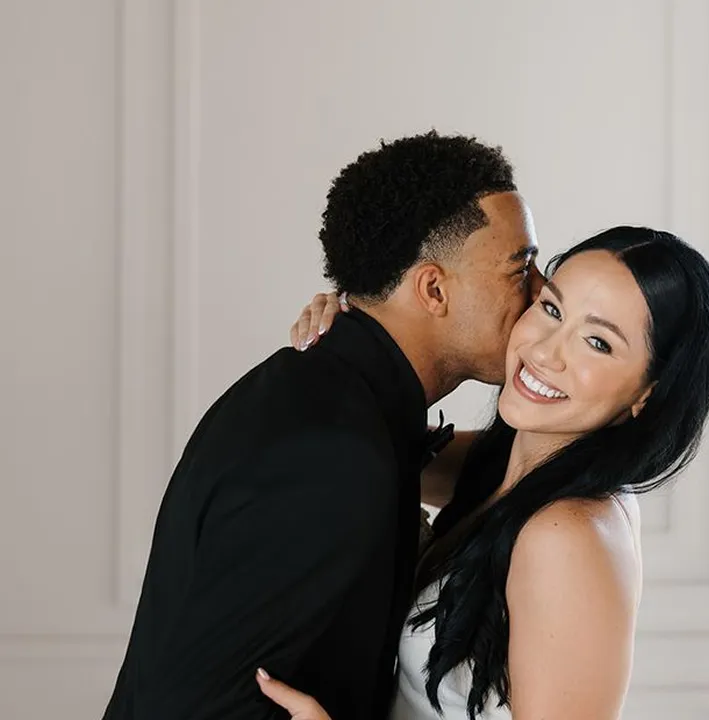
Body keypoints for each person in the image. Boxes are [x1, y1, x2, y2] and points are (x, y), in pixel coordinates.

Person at [102, 131, 543, 720]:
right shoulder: (333, 448)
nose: (541, 292)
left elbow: (508, 469)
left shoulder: (340, 397)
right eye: (521, 268)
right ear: (434, 289)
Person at [259, 226, 709, 719]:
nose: (545, 351)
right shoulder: (513, 469)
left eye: (597, 342)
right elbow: (377, 449)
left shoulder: (567, 536)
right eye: (551, 309)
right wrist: (354, 329)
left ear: (649, 393)